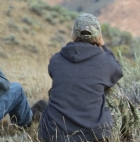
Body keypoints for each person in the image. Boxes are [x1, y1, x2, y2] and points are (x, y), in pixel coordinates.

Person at [38, 13, 128, 142]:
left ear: (74, 35)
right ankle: (128, 133)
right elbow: (118, 72)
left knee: (56, 90)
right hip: (93, 135)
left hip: (53, 134)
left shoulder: (56, 59)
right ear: (98, 37)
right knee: (114, 90)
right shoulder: (105, 61)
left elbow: (55, 74)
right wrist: (103, 45)